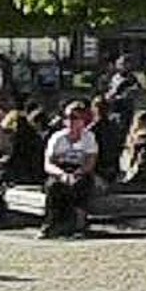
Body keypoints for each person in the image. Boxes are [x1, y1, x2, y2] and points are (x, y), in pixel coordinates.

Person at [42, 101, 101, 238]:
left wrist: (78, 173)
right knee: (54, 187)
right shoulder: (57, 138)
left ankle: (78, 226)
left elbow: (90, 162)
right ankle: (51, 224)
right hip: (60, 169)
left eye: (75, 118)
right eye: (68, 117)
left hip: (80, 170)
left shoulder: (89, 138)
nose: (71, 121)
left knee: (82, 186)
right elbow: (48, 164)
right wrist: (62, 174)